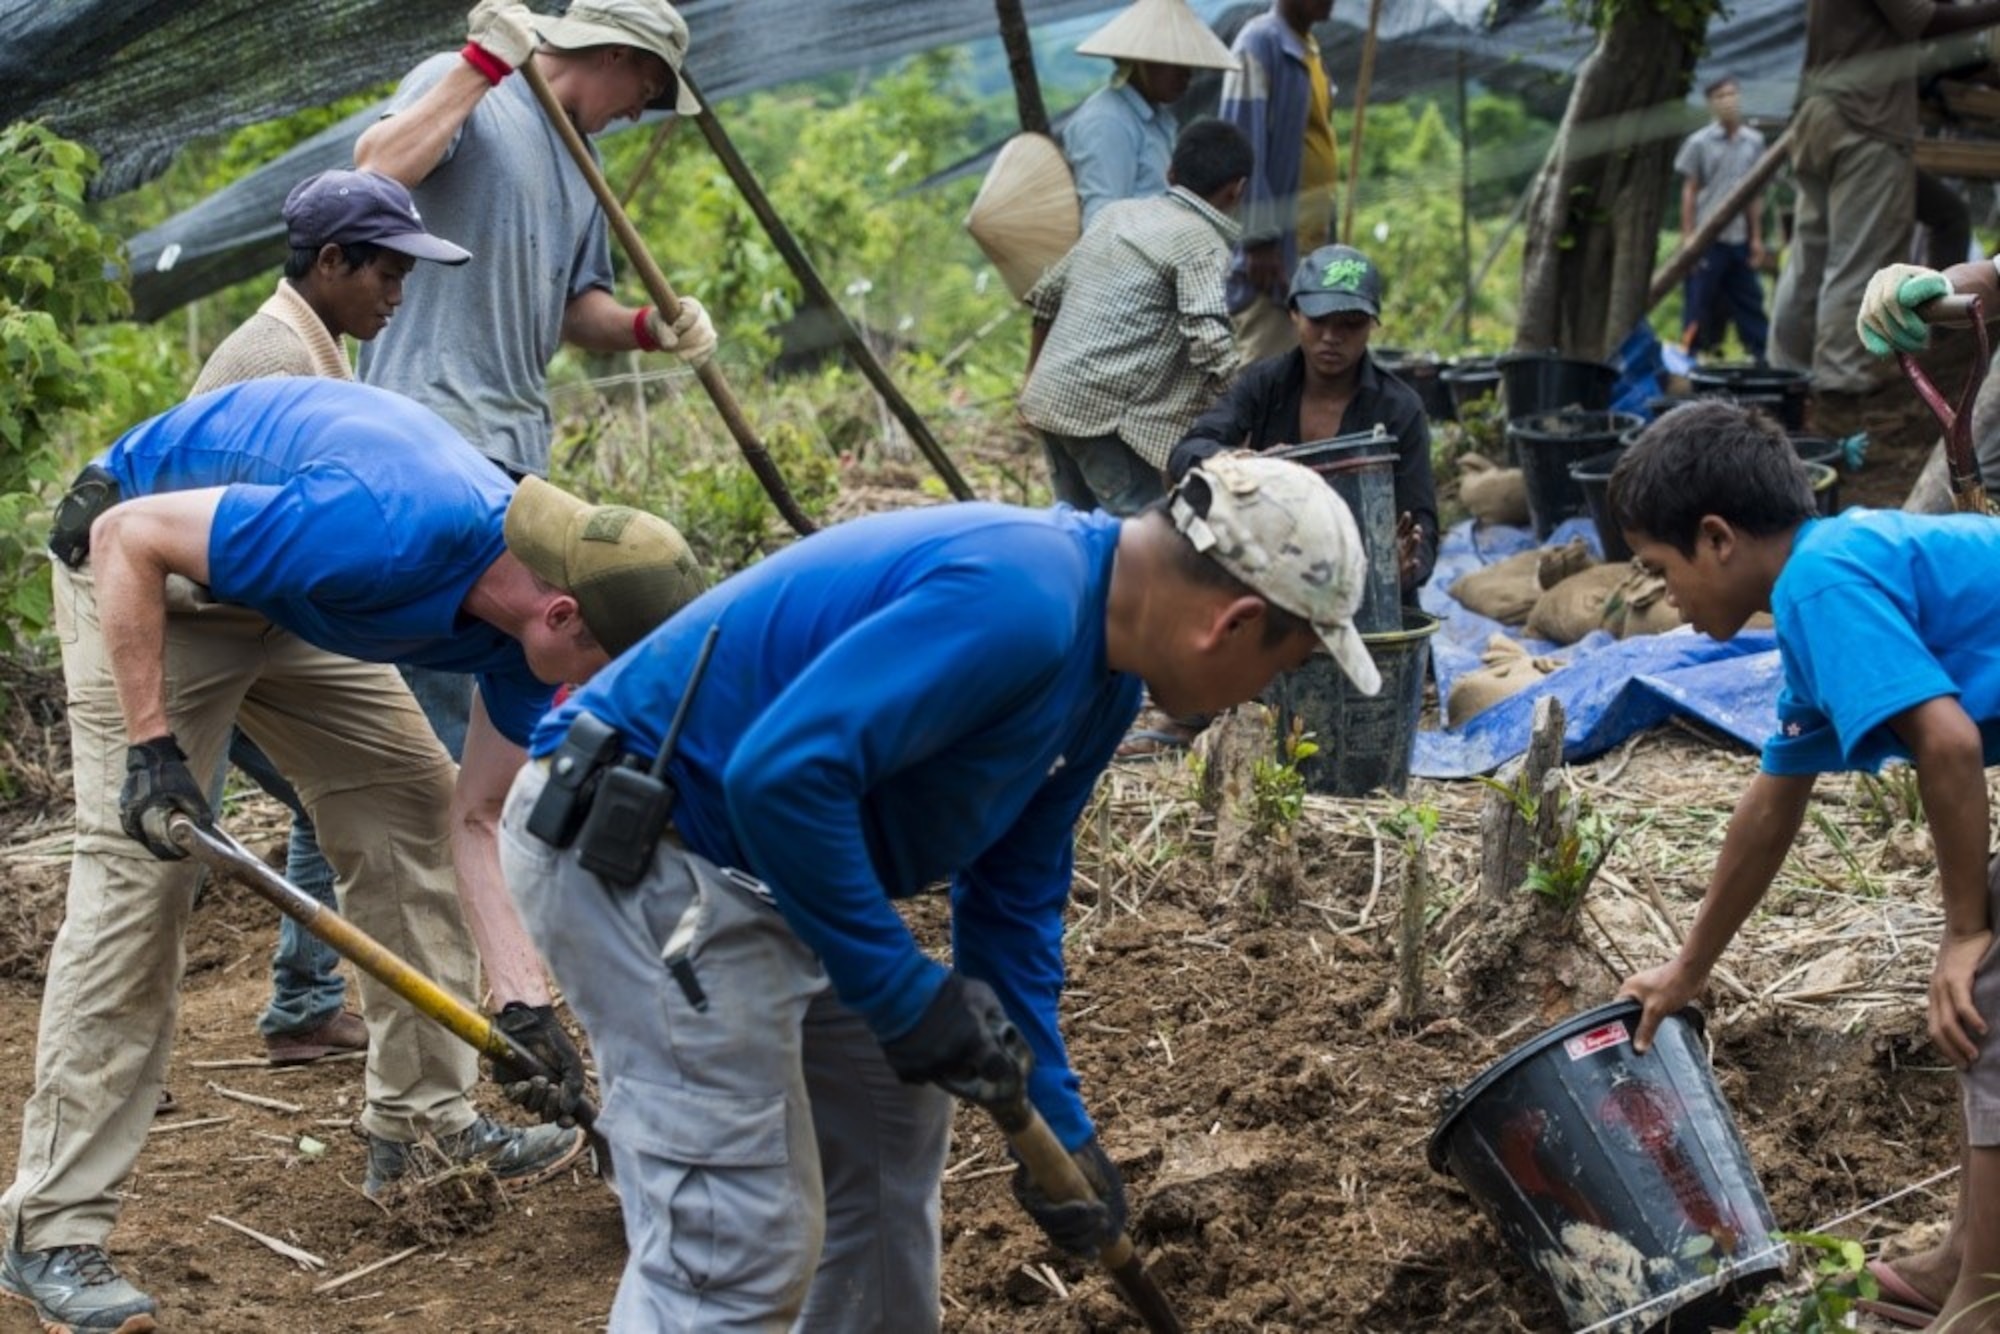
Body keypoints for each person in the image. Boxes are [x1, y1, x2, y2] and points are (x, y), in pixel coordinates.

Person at [496, 454, 1381, 1331]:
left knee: (891, 1102)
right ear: (1234, 623)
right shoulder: (1022, 599)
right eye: (1285, 666)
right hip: (643, 851)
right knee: (735, 1246)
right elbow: (779, 779)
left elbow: (1012, 899)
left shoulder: (1104, 681)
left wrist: (1057, 1127)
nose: (1263, 692)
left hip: (757, 869)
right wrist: (899, 990)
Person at [0, 377, 704, 1334]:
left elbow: (476, 819)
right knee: (144, 881)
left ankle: (421, 1128)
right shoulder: (389, 529)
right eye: (607, 673)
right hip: (148, 566)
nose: (601, 697)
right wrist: (152, 746)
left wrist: (523, 1003)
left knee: (411, 807)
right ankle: (49, 1228)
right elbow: (130, 536)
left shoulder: (523, 638)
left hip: (285, 593)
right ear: (563, 614)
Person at [1609, 400, 1999, 1334]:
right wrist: (1691, 966)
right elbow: (1773, 800)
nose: (1665, 600)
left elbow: (1944, 745)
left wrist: (1963, 931)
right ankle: (1965, 1258)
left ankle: (1985, 1295)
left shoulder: (1821, 583)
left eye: (1661, 572)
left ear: (1716, 539)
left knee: (1986, 993)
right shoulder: (1818, 584)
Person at [353, 0, 718, 762]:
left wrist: (652, 327)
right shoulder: (470, 90)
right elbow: (375, 173)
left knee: (495, 676)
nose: (638, 112)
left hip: (518, 453)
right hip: (428, 431)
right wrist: (479, 67)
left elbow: (576, 312)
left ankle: (429, 850)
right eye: (647, 88)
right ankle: (431, 858)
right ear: (613, 53)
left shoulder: (584, 166)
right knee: (426, 698)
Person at [191, 167, 472, 1068]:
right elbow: (249, 547)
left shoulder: (316, 343)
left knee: (371, 791)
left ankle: (307, 1010)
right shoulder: (274, 360)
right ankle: (270, 1017)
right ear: (332, 260)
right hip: (204, 629)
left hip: (256, 627)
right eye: (385, 274)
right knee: (157, 864)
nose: (397, 295)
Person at [1767, 0, 2000, 436]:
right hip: (1865, 120)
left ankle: (1784, 385)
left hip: (1820, 113)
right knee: (1856, 265)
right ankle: (1839, 402)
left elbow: (1913, 38)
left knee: (1808, 262)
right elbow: (1926, 22)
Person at [1171, 243, 1439, 595]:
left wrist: (1407, 566)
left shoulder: (1400, 409)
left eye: (1350, 324)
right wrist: (1244, 466)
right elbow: (1187, 450)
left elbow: (1422, 522)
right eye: (1319, 321)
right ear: (1294, 314)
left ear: (1373, 324)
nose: (1331, 337)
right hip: (1273, 578)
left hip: (1366, 587)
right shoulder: (1263, 384)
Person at [1020, 118, 1252, 517]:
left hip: (1051, 400)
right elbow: (1210, 344)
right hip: (1104, 420)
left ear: (1171, 173)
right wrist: (1247, 414)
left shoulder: (1117, 215)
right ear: (1238, 190)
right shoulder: (1202, 243)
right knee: (1143, 540)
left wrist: (1029, 382)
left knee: (1077, 534)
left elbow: (1046, 300)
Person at [1219, 0, 1339, 364]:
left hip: (1308, 250)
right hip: (1272, 259)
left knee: (1298, 380)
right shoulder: (1259, 43)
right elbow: (1240, 141)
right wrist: (1258, 236)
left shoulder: (1308, 50)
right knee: (1264, 374)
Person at [1061, 0, 1238, 231]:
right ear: (1144, 61)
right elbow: (1101, 225)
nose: (1188, 74)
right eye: (1176, 62)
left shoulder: (1158, 117)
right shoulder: (1106, 123)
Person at [1674, 75, 1770, 363]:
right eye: (1720, 96)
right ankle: (1686, 359)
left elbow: (1755, 195)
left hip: (1738, 237)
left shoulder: (1754, 142)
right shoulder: (1699, 142)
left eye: (1732, 95)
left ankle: (1763, 359)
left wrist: (1756, 237)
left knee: (1750, 301)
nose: (1728, 101)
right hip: (1707, 240)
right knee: (1698, 304)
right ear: (1711, 104)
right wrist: (1688, 236)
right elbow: (1689, 190)